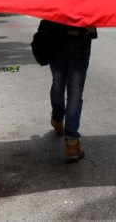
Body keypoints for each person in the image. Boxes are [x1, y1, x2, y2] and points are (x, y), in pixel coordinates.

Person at [39, 19, 97, 162]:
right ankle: (71, 142)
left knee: (58, 84)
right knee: (75, 93)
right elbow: (92, 30)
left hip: (56, 41)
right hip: (79, 45)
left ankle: (58, 120)